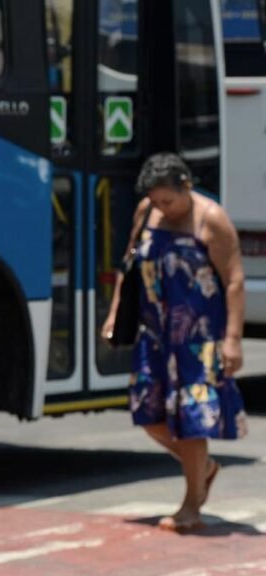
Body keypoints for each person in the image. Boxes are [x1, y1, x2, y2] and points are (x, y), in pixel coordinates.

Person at [102, 152, 249, 532]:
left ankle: (191, 506)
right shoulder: (145, 213)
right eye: (155, 201)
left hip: (198, 339)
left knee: (191, 423)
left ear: (186, 186)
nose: (162, 208)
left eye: (168, 200)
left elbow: (233, 279)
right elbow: (128, 265)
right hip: (155, 336)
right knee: (149, 417)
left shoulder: (211, 219)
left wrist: (233, 339)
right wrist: (116, 313)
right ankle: (204, 470)